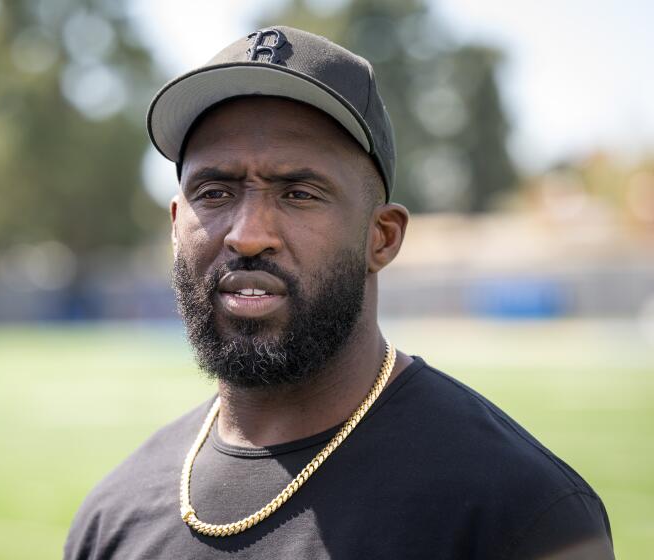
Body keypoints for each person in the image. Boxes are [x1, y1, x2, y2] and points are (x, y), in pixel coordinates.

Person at [65, 26, 613, 559]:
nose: (248, 234)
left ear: (382, 237)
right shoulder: (113, 515)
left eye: (300, 193)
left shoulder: (521, 515)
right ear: (176, 222)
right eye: (215, 191)